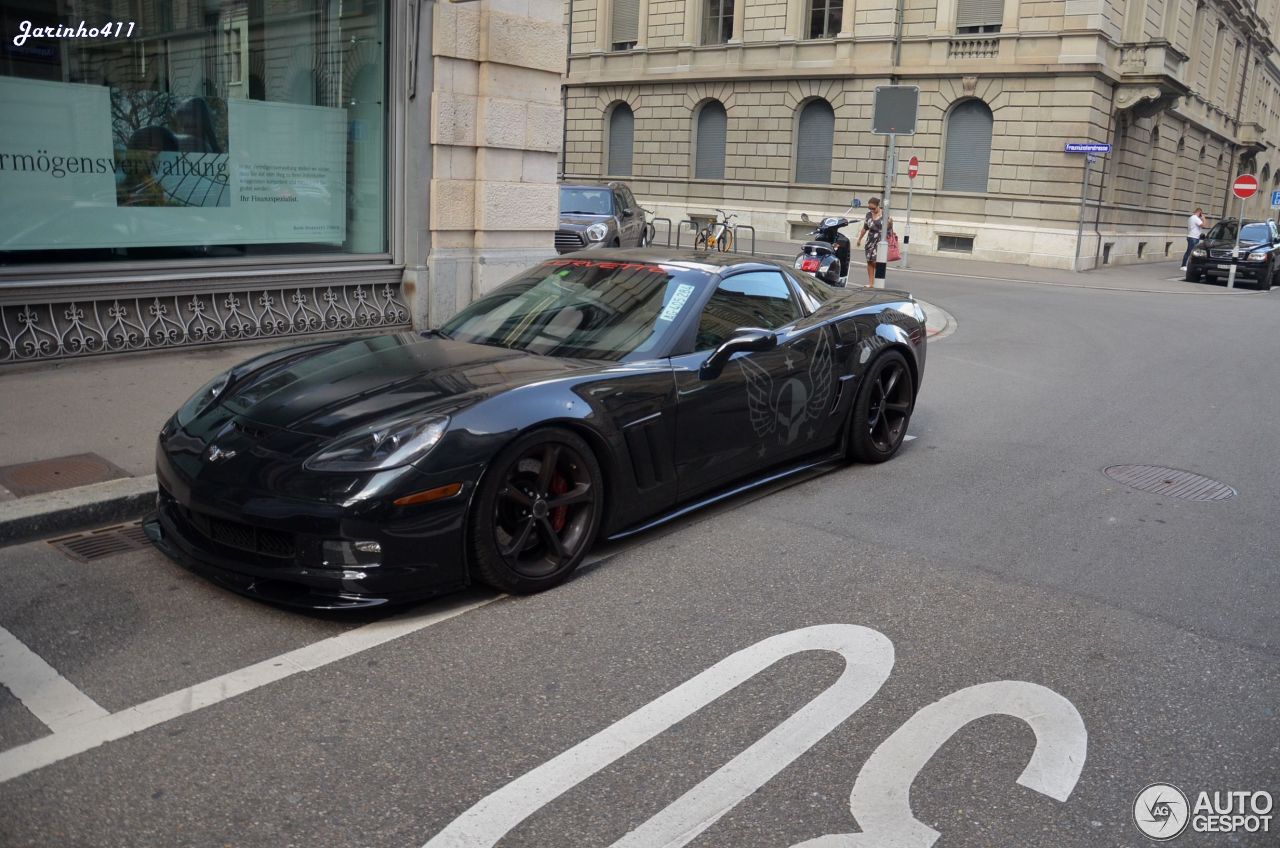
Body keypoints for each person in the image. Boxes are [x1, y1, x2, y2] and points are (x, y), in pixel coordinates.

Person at [855, 197, 893, 287]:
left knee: (877, 261)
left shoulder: (885, 214)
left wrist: (890, 224)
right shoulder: (868, 215)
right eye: (870, 208)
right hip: (870, 241)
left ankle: (878, 281)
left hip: (880, 241)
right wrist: (859, 239)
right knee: (869, 261)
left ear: (878, 206)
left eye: (873, 208)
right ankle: (871, 283)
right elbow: (865, 228)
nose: (871, 210)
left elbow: (889, 228)